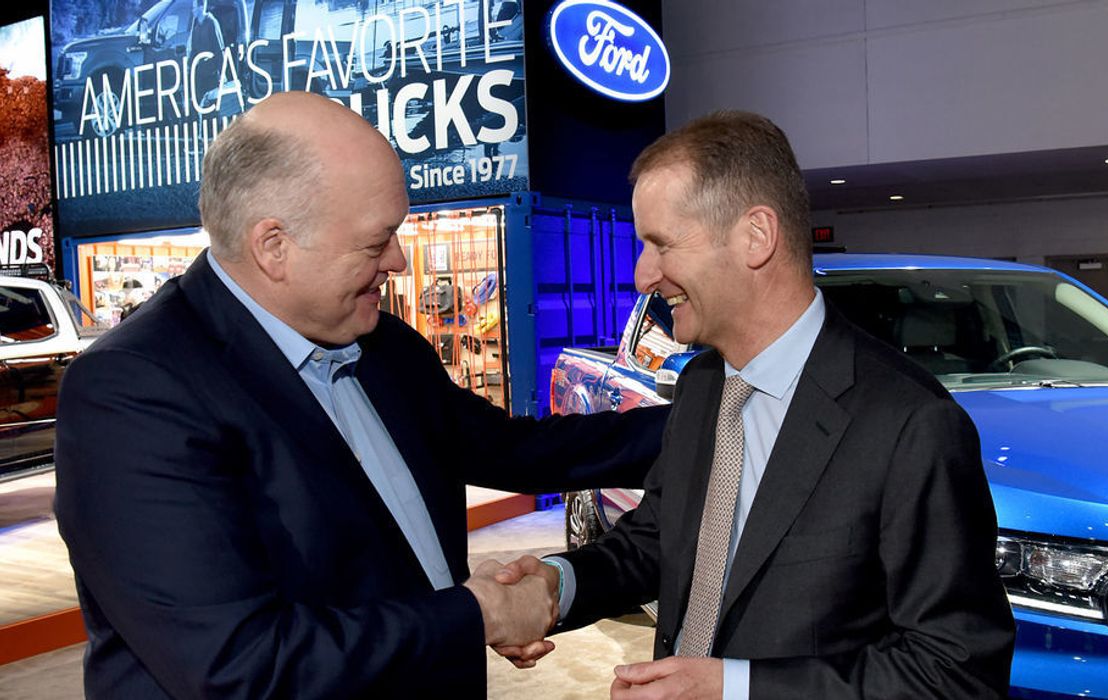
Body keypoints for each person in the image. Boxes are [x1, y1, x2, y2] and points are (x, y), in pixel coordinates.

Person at [53, 91, 667, 698]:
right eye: (377, 241)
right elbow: (239, 665)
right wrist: (477, 615)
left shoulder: (382, 344)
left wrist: (705, 419)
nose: (398, 260)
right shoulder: (133, 391)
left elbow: (512, 449)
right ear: (274, 247)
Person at [499, 111, 1015, 698]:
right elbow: (660, 540)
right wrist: (556, 585)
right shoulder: (702, 387)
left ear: (756, 236)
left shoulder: (911, 424)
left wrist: (735, 688)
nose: (643, 276)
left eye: (661, 244)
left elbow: (955, 672)